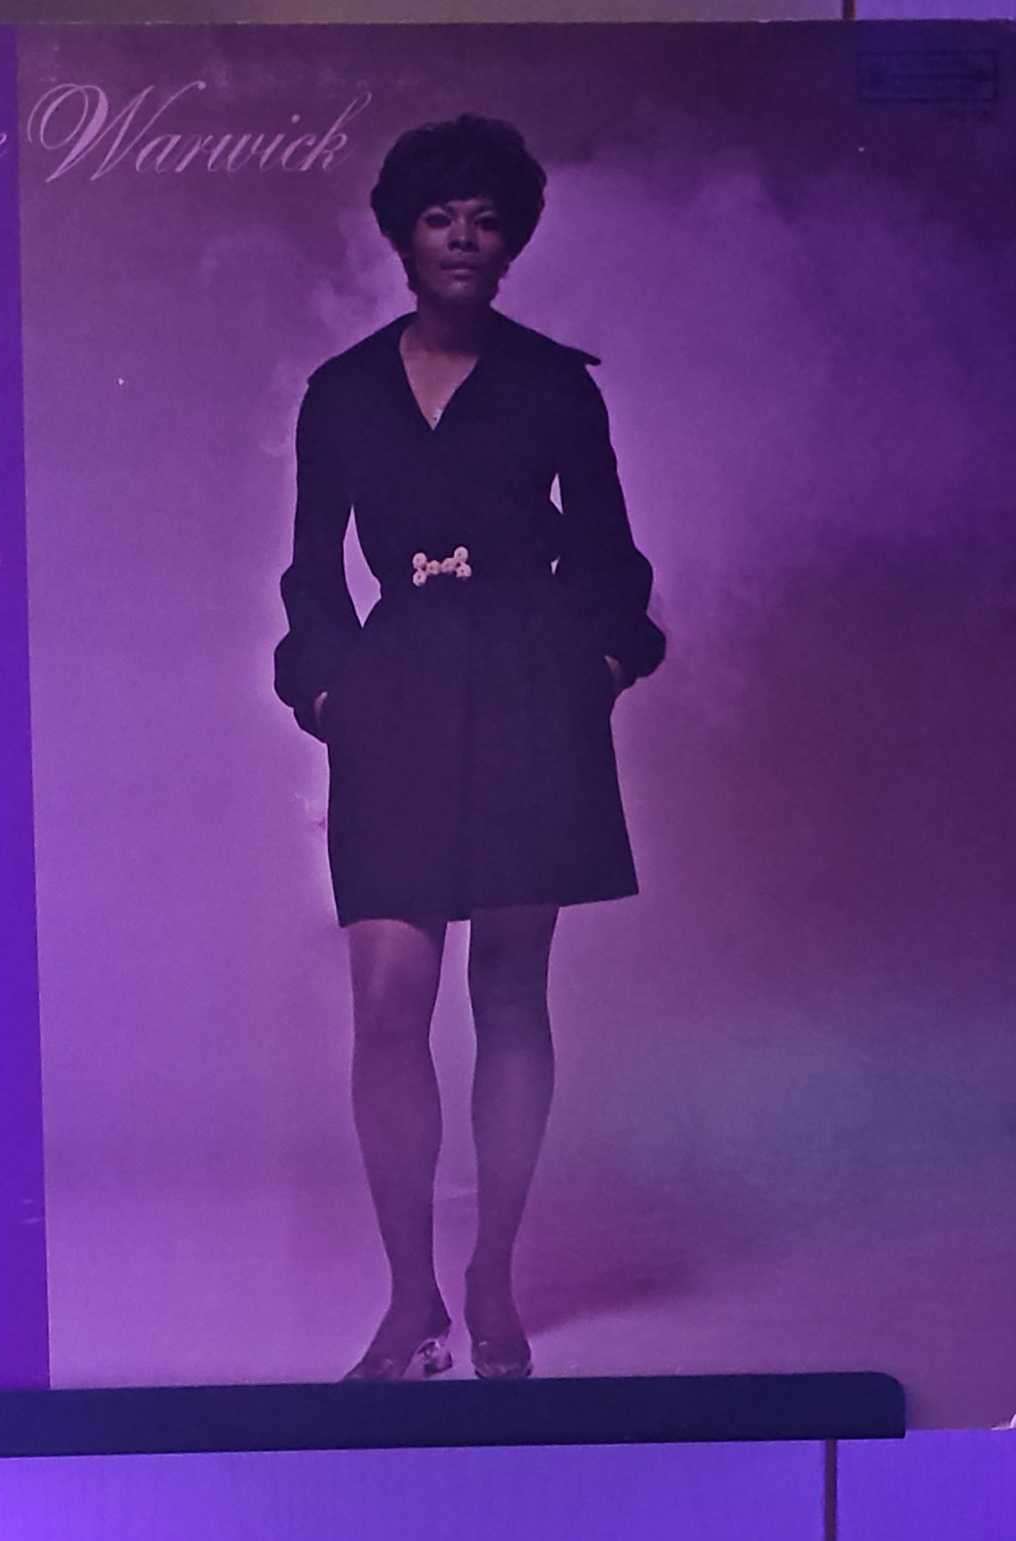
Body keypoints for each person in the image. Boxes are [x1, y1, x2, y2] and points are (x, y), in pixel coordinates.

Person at [276, 113, 664, 1383]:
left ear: (511, 244)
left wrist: (594, 674)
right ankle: (411, 1303)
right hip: (391, 702)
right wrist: (330, 692)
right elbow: (311, 577)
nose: (462, 238)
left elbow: (610, 561)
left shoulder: (554, 384)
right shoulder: (340, 394)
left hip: (525, 699)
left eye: (486, 220)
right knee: (389, 1005)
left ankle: (494, 1276)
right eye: (440, 217)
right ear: (402, 238)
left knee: (508, 989)